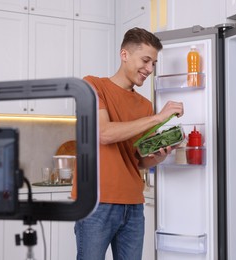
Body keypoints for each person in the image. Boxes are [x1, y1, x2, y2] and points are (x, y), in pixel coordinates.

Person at [73, 27, 184, 260]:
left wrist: (161, 154)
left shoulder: (144, 105)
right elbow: (103, 133)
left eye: (153, 63)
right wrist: (158, 118)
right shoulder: (93, 86)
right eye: (146, 60)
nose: (150, 69)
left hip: (133, 204)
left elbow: (139, 159)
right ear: (124, 55)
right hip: (96, 203)